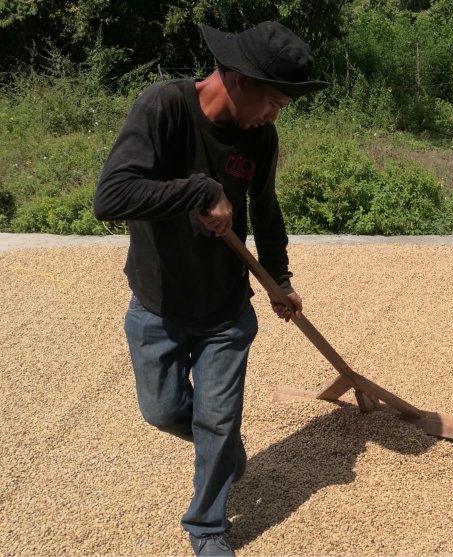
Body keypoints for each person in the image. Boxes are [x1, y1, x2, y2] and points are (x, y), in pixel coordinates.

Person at [93, 21, 328, 557]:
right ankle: (223, 451)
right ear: (240, 81)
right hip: (158, 303)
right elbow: (110, 197)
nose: (274, 116)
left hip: (225, 308)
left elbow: (266, 213)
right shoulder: (164, 108)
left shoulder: (259, 138)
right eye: (274, 102)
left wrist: (280, 279)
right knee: (163, 411)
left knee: (217, 417)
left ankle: (207, 526)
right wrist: (200, 188)